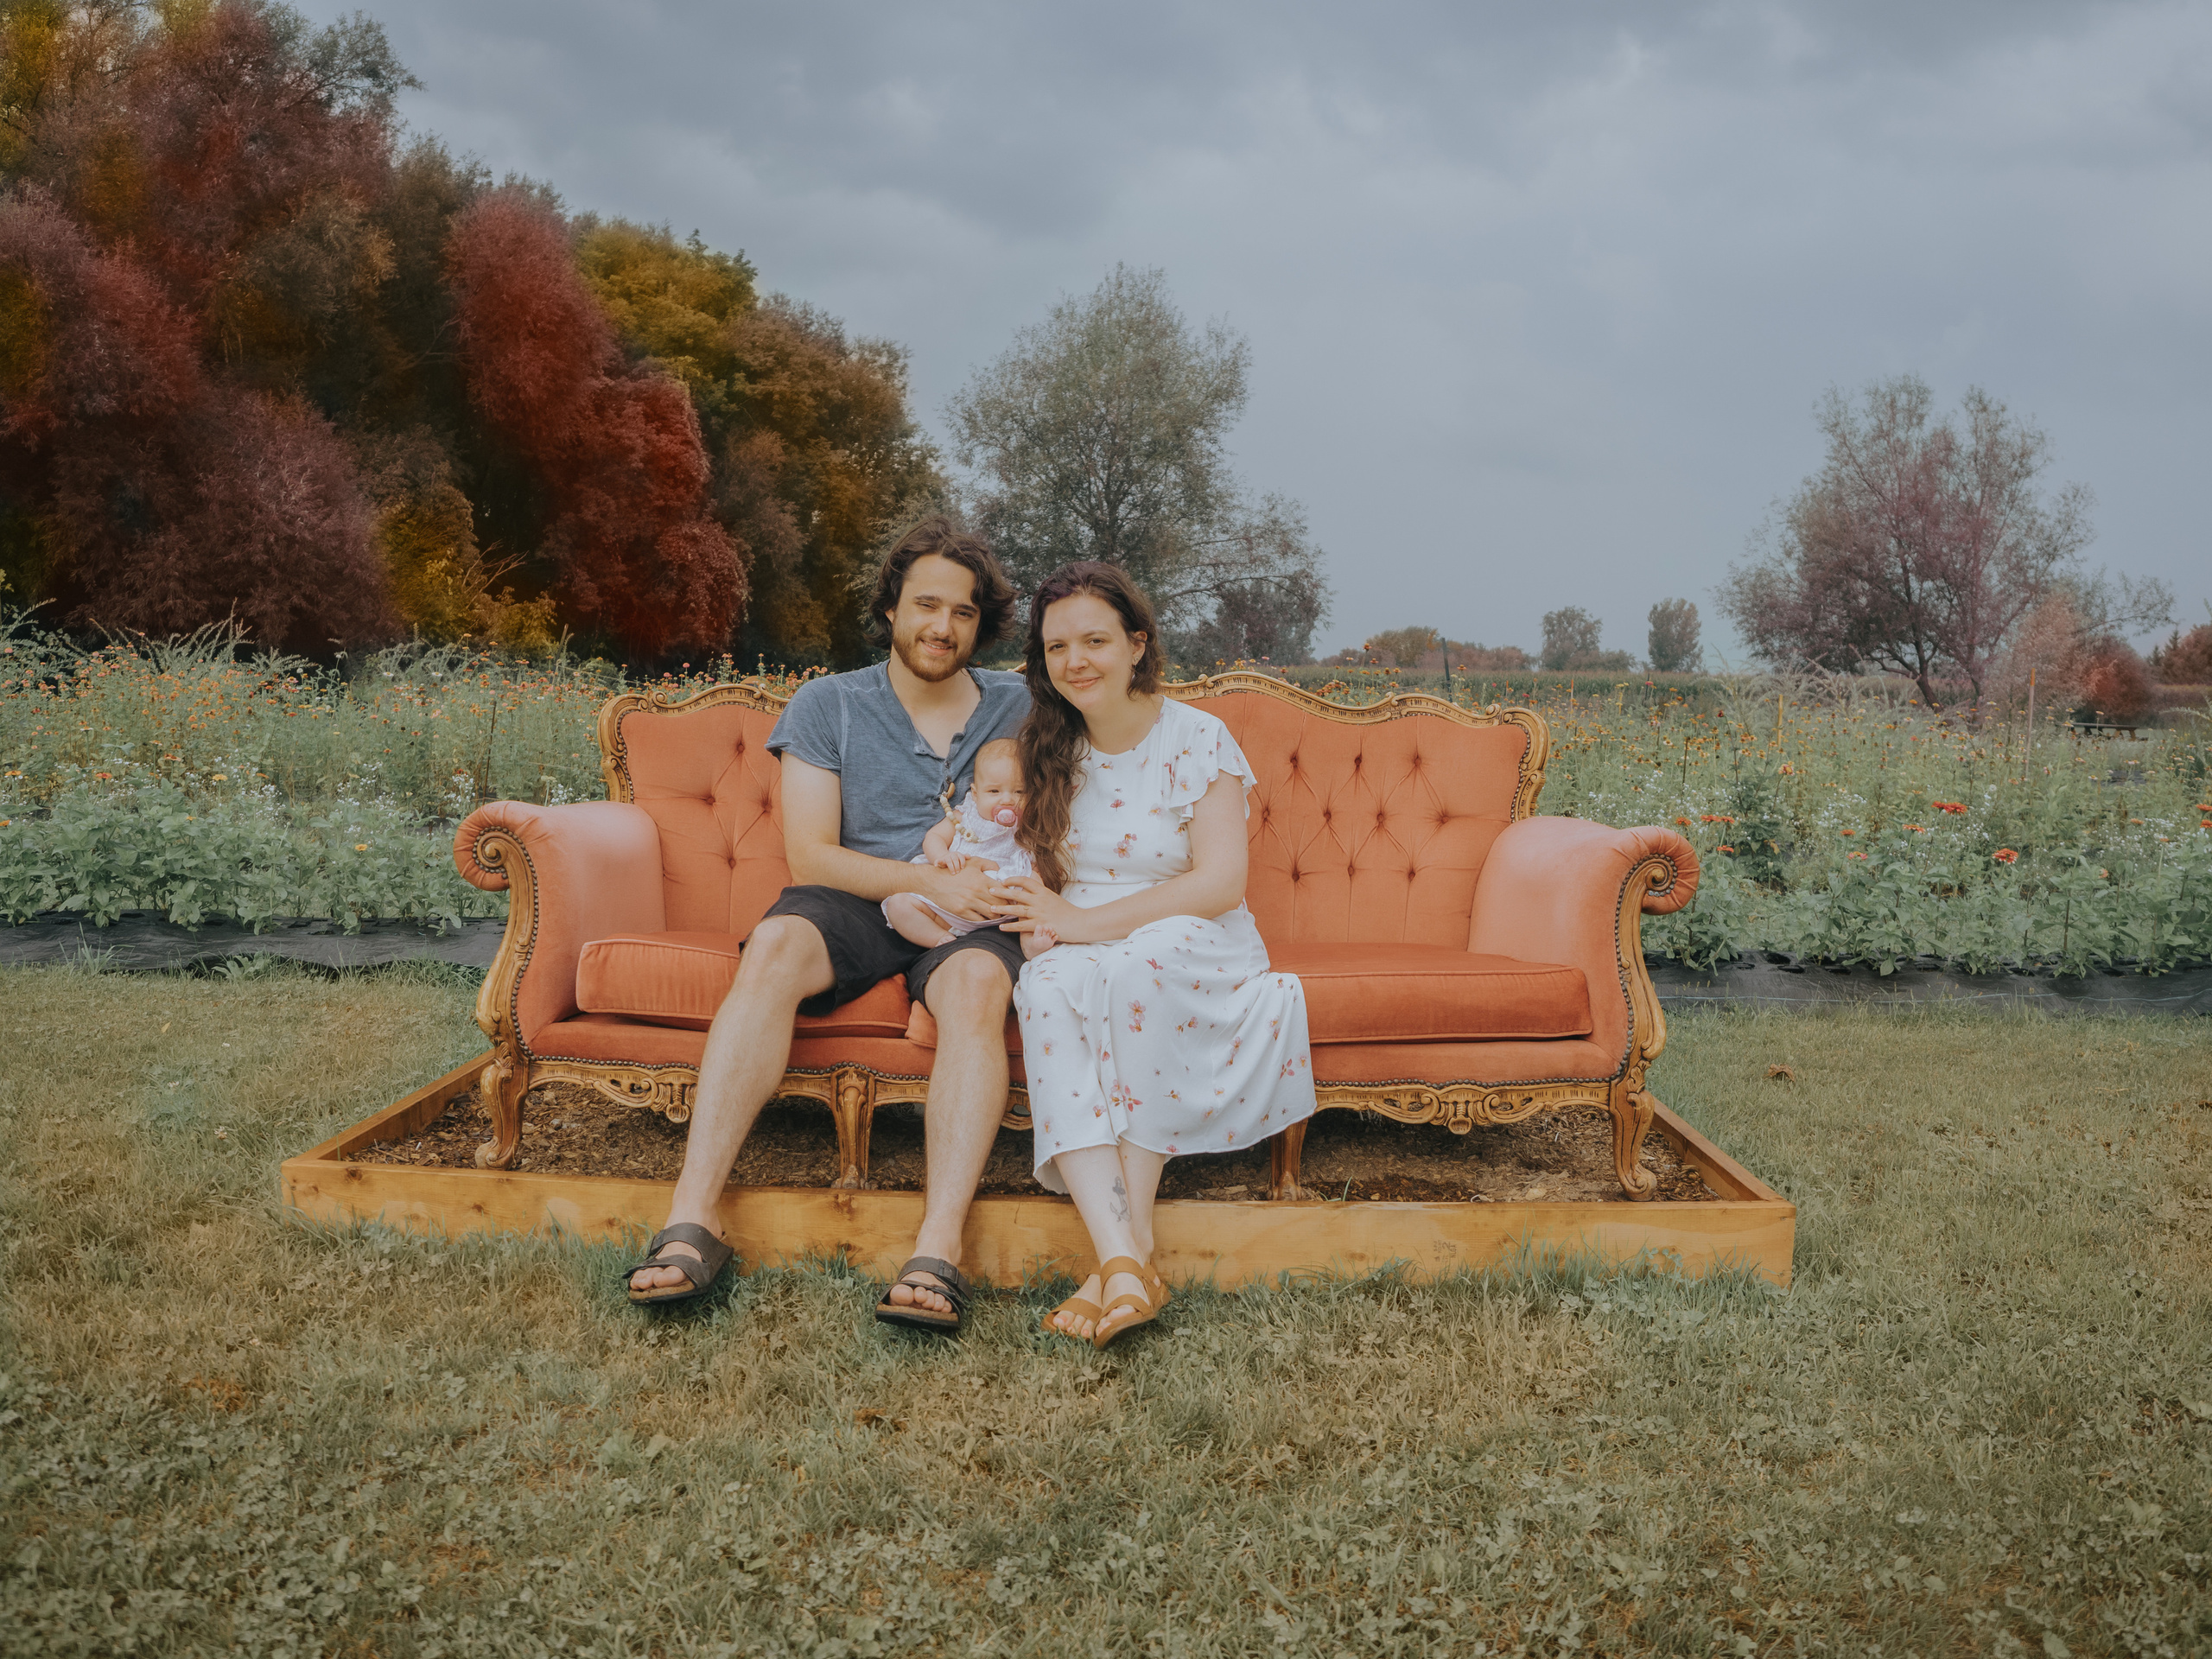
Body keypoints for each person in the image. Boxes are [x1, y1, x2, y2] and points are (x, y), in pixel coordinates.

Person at [622, 516, 1029, 1334]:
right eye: (925, 605)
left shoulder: (1020, 705)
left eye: (962, 611)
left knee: (981, 982)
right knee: (773, 945)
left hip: (979, 904)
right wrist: (923, 877)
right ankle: (691, 1221)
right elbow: (810, 855)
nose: (940, 627)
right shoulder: (831, 703)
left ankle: (937, 1249)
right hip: (857, 891)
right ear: (891, 608)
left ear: (981, 623)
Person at [989, 562, 1316, 1348]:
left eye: (1096, 640)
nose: (1076, 661)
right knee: (1045, 988)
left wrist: (1087, 923)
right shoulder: (1047, 748)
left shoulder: (1196, 737)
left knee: (1138, 965)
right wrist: (1038, 913)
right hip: (1079, 932)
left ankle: (1120, 1257)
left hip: (1192, 934)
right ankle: (1127, 1261)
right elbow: (1004, 848)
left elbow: (1219, 881)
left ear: (1138, 645)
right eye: (1057, 645)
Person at [882, 738, 1057, 958]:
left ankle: (1030, 942)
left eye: (1019, 792)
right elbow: (934, 837)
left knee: (1034, 887)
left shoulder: (1027, 822)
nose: (1007, 800)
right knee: (899, 905)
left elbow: (1042, 851)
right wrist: (943, 856)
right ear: (975, 793)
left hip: (1004, 900)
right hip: (948, 905)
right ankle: (938, 938)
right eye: (994, 791)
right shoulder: (964, 815)